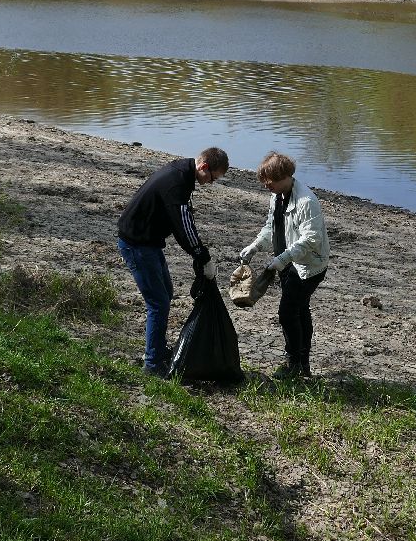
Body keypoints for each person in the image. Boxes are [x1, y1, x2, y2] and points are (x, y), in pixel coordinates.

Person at [117, 147, 229, 375]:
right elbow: (183, 225)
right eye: (212, 178)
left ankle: (156, 350)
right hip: (137, 245)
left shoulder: (183, 173)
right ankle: (152, 364)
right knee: (158, 304)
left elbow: (183, 220)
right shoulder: (177, 182)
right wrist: (201, 254)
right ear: (204, 167)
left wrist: (199, 253)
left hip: (149, 242)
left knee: (165, 294)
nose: (210, 183)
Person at [240, 151, 330, 379]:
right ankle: (303, 364)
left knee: (287, 313)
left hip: (309, 266)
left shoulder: (306, 201)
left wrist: (281, 259)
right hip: (288, 262)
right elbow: (271, 227)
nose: (266, 184)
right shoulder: (277, 196)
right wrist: (255, 246)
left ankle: (295, 364)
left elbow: (311, 240)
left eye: (269, 180)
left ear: (285, 176)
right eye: (264, 179)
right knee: (300, 310)